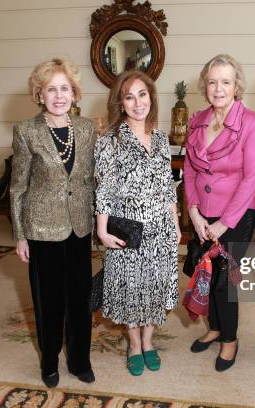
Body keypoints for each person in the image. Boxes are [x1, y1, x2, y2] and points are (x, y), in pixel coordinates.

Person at [10, 57, 97, 388]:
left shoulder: (87, 129)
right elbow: (17, 187)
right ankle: (49, 363)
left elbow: (90, 180)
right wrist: (20, 236)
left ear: (74, 93)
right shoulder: (26, 131)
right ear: (39, 94)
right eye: (51, 89)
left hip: (78, 227)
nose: (59, 96)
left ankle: (79, 361)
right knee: (49, 302)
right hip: (41, 229)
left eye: (65, 88)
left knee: (79, 298)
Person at [94, 70, 181, 376]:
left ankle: (148, 341)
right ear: (120, 102)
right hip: (128, 232)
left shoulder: (159, 137)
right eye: (129, 96)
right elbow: (103, 187)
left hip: (161, 228)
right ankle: (133, 344)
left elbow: (167, 184)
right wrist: (102, 229)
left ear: (151, 98)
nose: (137, 102)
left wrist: (176, 220)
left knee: (155, 288)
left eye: (142, 94)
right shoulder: (109, 141)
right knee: (131, 289)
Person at [183, 54, 255, 371]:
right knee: (206, 271)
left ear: (236, 86)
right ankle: (214, 328)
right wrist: (193, 212)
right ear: (206, 85)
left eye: (226, 82)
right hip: (203, 213)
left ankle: (229, 340)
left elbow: (251, 177)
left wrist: (223, 224)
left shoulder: (252, 123)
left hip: (238, 215)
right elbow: (189, 170)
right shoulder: (197, 119)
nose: (218, 88)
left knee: (224, 282)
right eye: (213, 81)